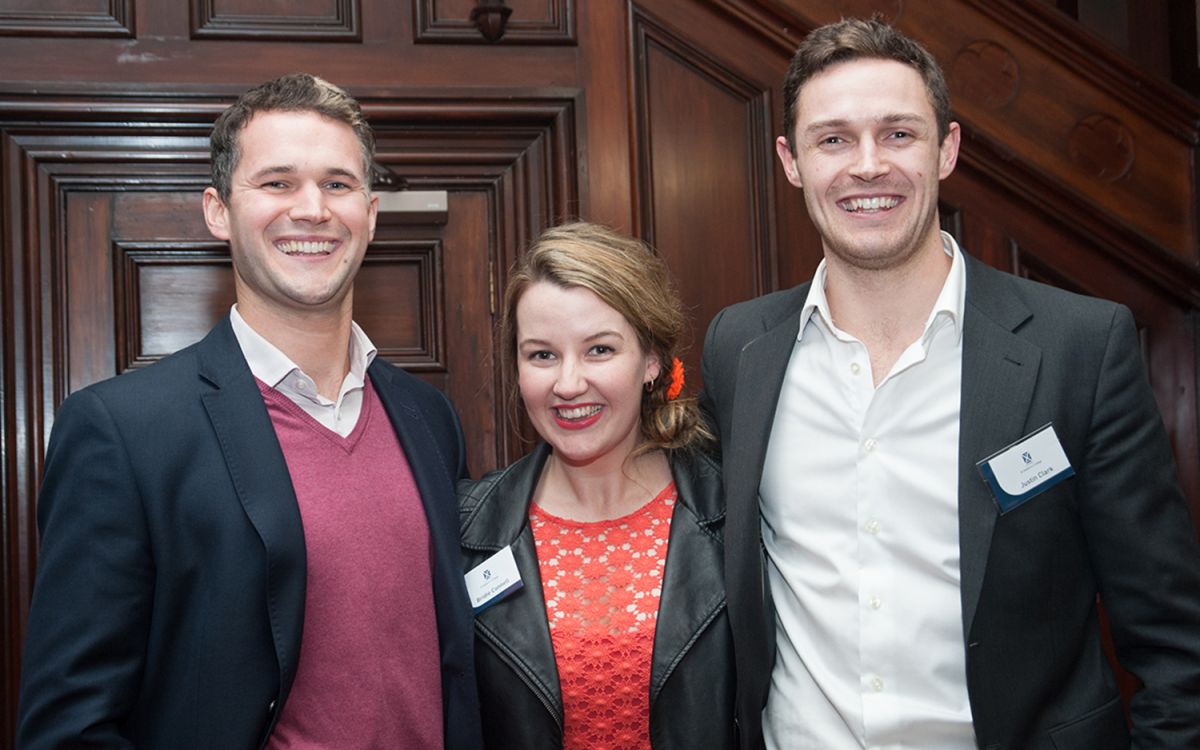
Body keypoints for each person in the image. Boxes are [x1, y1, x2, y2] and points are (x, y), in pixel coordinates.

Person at [700, 18, 1200, 750]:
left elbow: (1172, 645)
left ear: (947, 149)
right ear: (791, 161)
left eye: (898, 134)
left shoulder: (1079, 348)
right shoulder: (739, 349)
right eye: (833, 139)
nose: (867, 166)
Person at [17, 73, 482, 749]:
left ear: (372, 213)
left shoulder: (428, 418)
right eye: (277, 183)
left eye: (338, 184)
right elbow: (70, 726)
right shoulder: (123, 432)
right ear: (217, 210)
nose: (313, 209)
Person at [459, 222, 735, 749]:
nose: (567, 384)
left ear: (652, 360)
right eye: (542, 355)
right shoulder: (467, 531)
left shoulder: (735, 511)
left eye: (599, 350)